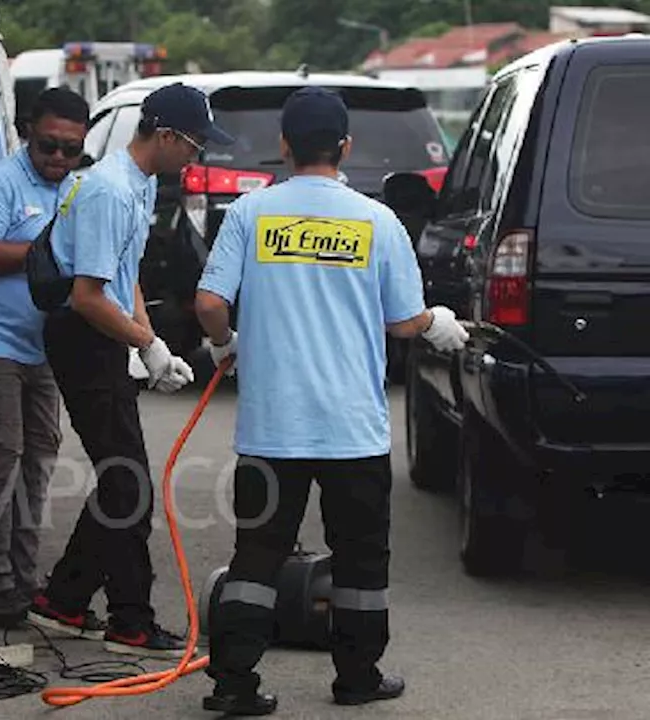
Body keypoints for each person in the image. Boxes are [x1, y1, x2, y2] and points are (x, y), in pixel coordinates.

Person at [193, 86, 469, 715]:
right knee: (360, 559)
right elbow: (405, 321)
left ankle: (233, 684)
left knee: (257, 555)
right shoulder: (376, 221)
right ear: (345, 146)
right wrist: (440, 325)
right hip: (352, 431)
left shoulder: (250, 214)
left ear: (284, 145)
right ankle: (357, 679)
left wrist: (223, 343)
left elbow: (209, 303)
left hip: (271, 427)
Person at [26, 82, 233, 658]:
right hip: (82, 339)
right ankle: (130, 621)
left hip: (104, 337)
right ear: (164, 135)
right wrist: (150, 346)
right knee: (128, 484)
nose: (198, 156)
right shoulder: (109, 191)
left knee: (124, 483)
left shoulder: (138, 186)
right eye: (194, 144)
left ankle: (65, 600)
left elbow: (125, 276)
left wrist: (148, 340)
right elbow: (88, 296)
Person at [0, 87, 90, 629]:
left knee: (37, 468)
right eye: (49, 144)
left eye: (70, 149)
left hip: (41, 347)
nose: (58, 157)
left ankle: (27, 583)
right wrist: (49, 251)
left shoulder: (76, 187)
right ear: (29, 132)